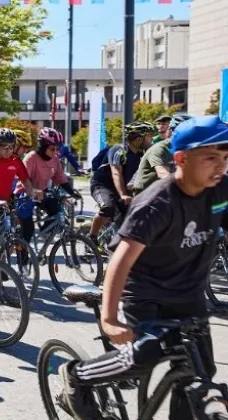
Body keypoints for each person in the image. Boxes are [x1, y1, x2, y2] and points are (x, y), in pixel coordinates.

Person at [59, 115, 228, 420]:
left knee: (200, 372)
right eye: (211, 157)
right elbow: (121, 260)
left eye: (226, 158)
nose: (221, 165)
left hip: (187, 293)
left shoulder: (219, 190)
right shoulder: (157, 203)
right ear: (181, 159)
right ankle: (77, 375)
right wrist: (110, 319)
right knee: (142, 356)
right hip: (143, 293)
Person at [87, 122, 156, 243]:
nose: (152, 140)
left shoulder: (141, 155)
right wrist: (124, 194)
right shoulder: (119, 150)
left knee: (135, 215)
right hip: (102, 185)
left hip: (120, 188)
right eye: (149, 136)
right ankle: (91, 238)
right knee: (107, 208)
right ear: (139, 138)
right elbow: (116, 172)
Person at [14, 127, 82, 244]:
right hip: (25, 193)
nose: (55, 152)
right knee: (28, 229)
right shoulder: (31, 157)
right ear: (43, 146)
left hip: (43, 193)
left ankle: (44, 233)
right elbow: (22, 179)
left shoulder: (55, 159)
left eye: (57, 149)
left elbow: (60, 178)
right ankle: (23, 259)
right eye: (52, 149)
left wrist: (71, 192)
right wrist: (33, 190)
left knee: (56, 208)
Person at [133, 115, 192, 194]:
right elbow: (162, 173)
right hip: (146, 195)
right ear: (172, 131)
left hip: (163, 192)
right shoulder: (160, 149)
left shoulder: (185, 151)